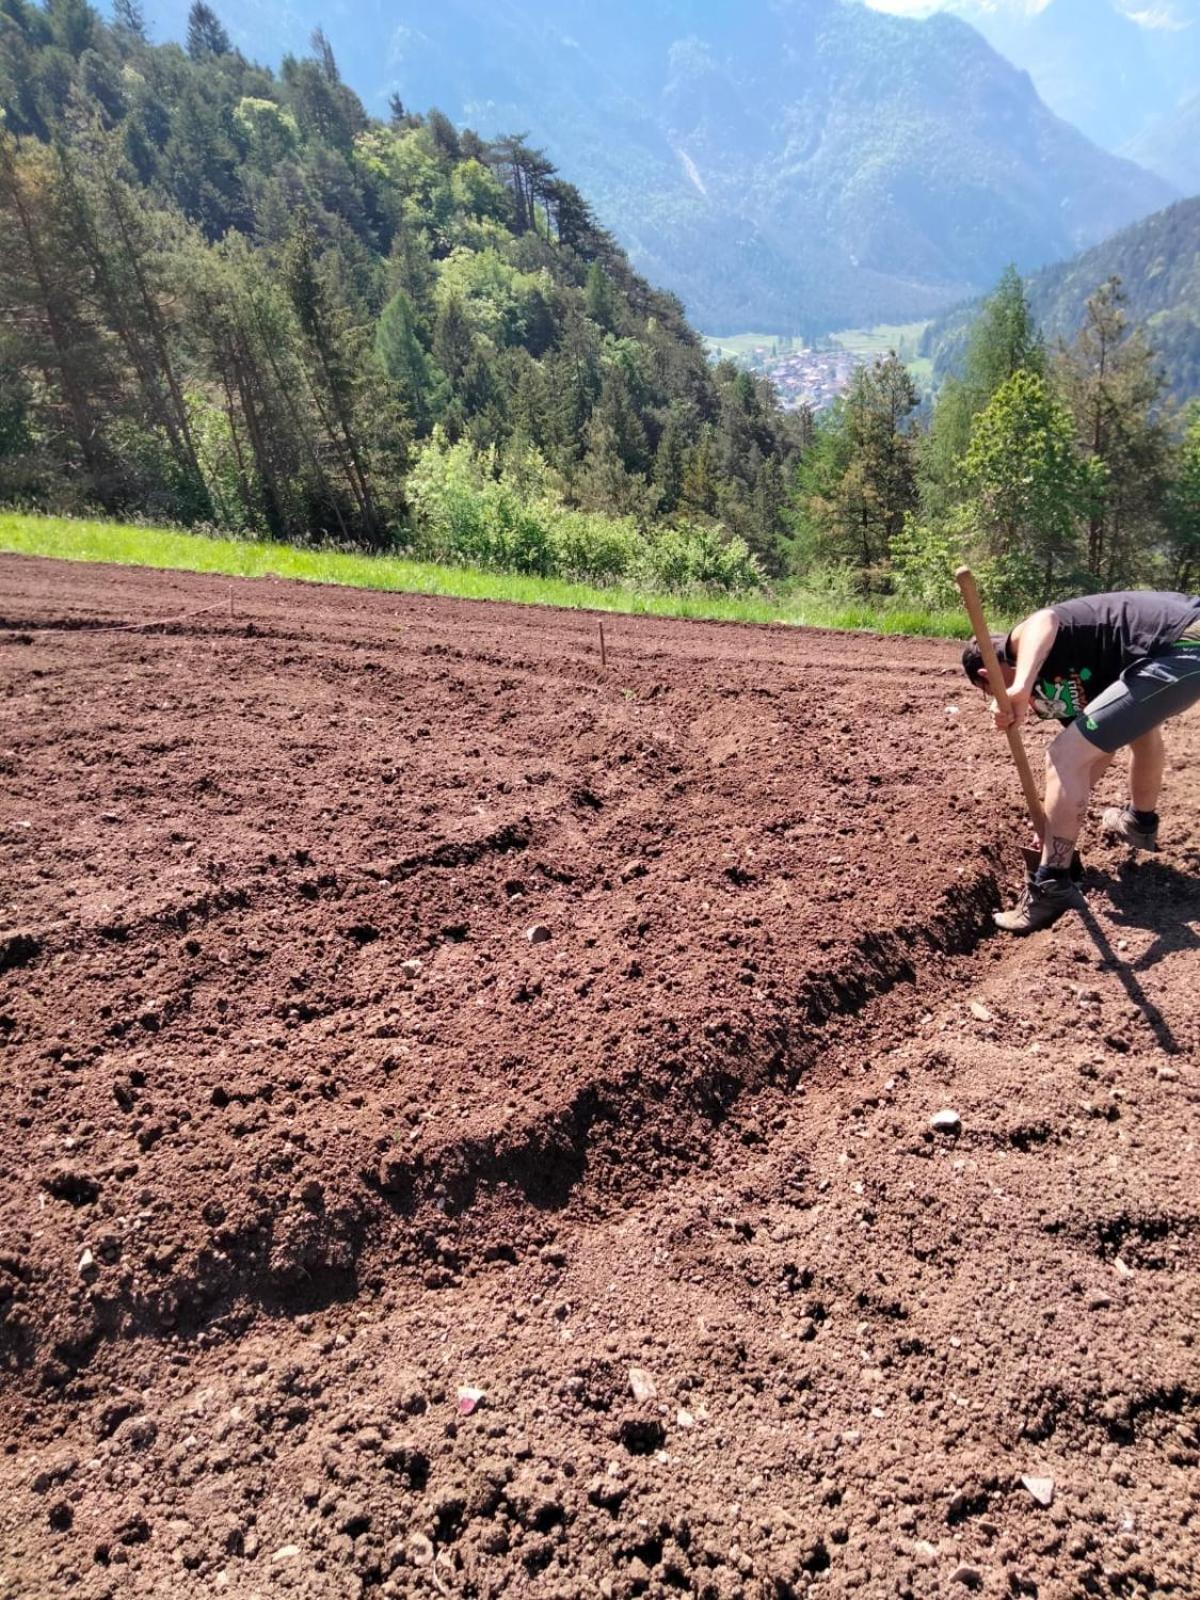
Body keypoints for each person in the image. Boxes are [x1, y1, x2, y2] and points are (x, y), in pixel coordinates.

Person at [962, 590, 1200, 934]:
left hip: (1184, 644)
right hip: (1175, 652)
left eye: (988, 691)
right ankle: (1139, 823)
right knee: (1138, 733)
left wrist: (1022, 686)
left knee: (1061, 754)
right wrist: (1053, 819)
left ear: (988, 674)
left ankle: (1051, 885)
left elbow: (1045, 618)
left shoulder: (1017, 644)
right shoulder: (1064, 681)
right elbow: (1096, 751)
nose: (994, 698)